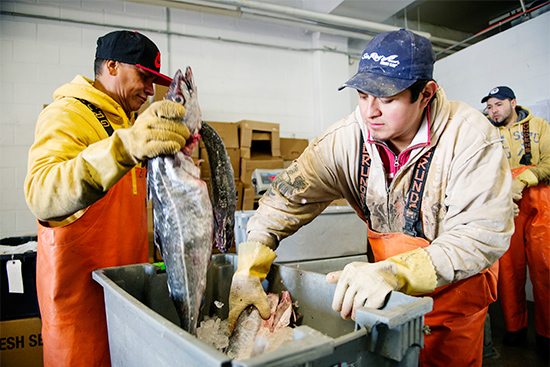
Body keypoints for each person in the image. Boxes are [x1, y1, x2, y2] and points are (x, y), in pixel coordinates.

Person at [227, 29, 514, 367]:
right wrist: (249, 266)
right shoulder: (345, 141)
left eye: (387, 98)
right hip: (386, 298)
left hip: (453, 297)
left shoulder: (470, 139)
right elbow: (283, 198)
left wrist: (393, 272)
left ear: (426, 94)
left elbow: (480, 235)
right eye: (362, 95)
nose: (369, 111)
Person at [24, 30, 190, 366]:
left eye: (154, 81)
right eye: (144, 76)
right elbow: (41, 193)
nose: (150, 89)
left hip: (126, 300)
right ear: (111, 66)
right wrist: (123, 147)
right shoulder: (68, 115)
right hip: (82, 316)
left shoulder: (129, 123)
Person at [482, 86, 550, 356]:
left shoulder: (539, 125)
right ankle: (514, 329)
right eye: (489, 107)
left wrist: (523, 179)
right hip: (504, 205)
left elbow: (548, 163)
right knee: (508, 271)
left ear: (513, 103)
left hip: (540, 205)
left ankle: (546, 335)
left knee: (544, 269)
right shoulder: (485, 131)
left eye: (498, 105)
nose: (493, 111)